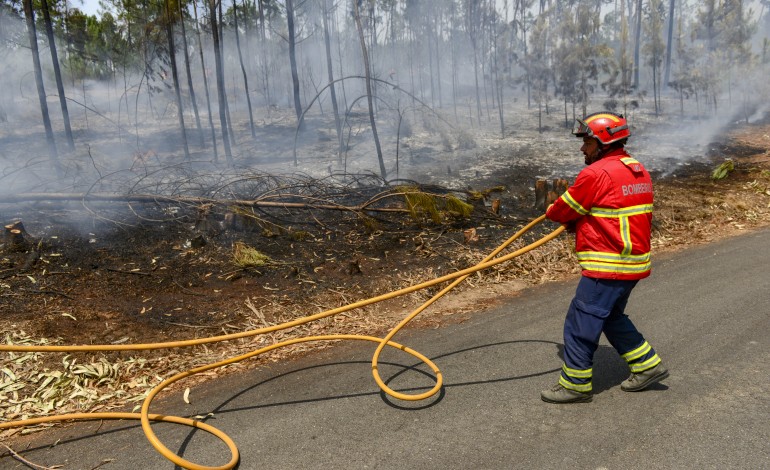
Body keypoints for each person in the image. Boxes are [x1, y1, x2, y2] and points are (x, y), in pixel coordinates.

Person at [541, 112, 669, 404]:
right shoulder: (637, 169)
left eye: (587, 142)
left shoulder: (595, 173)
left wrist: (552, 210)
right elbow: (608, 209)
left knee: (580, 322)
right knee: (610, 316)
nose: (582, 149)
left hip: (607, 266)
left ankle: (575, 384)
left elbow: (563, 210)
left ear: (603, 142)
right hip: (633, 262)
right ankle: (648, 366)